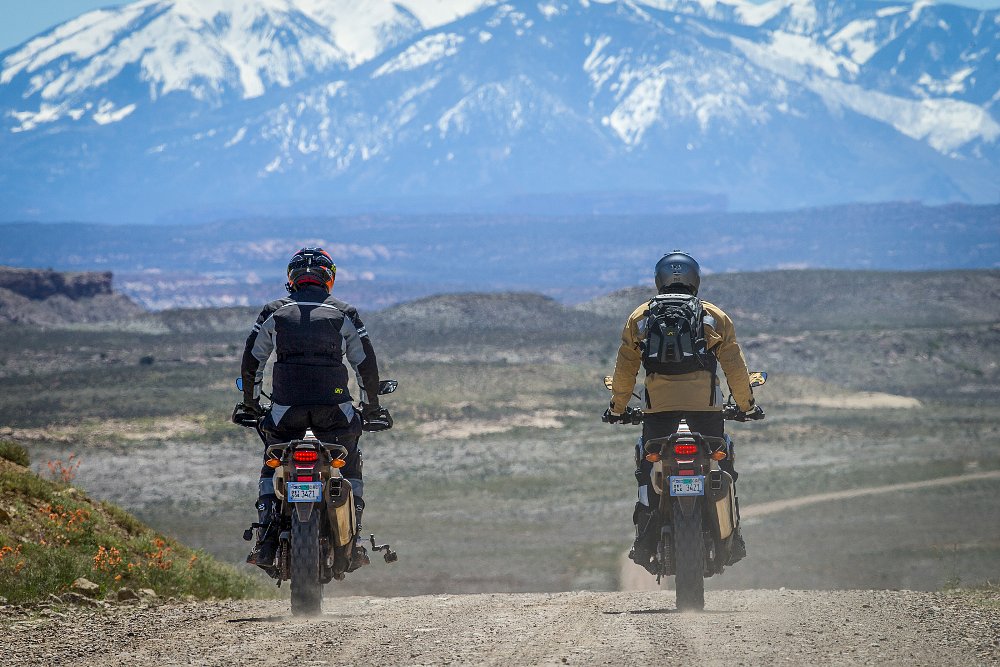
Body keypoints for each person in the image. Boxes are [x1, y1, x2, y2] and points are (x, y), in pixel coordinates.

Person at [233, 247, 391, 572]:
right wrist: (372, 406)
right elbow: (365, 364)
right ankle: (354, 541)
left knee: (271, 464)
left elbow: (253, 361)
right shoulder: (344, 313)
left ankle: (265, 542)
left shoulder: (274, 312)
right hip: (334, 410)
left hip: (285, 411)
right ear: (329, 278)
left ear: (291, 279)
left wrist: (250, 403)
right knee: (350, 463)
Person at [604, 251, 763, 572]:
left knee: (646, 469)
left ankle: (644, 541)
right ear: (696, 280)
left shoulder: (640, 317)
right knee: (724, 465)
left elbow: (625, 370)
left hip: (658, 414)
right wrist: (747, 405)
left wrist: (617, 408)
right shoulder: (714, 316)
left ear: (658, 281)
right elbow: (734, 367)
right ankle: (733, 538)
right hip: (706, 412)